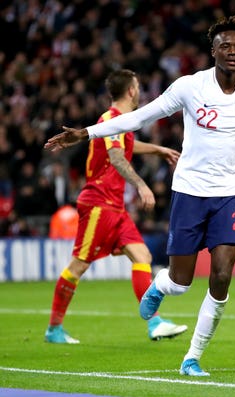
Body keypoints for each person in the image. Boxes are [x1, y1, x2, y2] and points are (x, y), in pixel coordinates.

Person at [45, 17, 235, 376]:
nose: (232, 51)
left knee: (222, 276)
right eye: (225, 45)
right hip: (190, 193)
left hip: (229, 196)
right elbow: (140, 117)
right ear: (213, 50)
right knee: (181, 281)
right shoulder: (189, 87)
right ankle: (160, 286)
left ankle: (191, 357)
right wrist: (86, 133)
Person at [45, 69, 187, 344]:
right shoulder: (110, 119)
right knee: (78, 266)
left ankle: (154, 323)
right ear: (131, 91)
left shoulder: (122, 123)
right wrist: (142, 185)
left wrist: (158, 149)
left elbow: (128, 145)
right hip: (98, 203)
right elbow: (117, 156)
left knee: (142, 256)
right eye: (138, 87)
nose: (140, 91)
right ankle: (54, 329)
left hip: (115, 207)